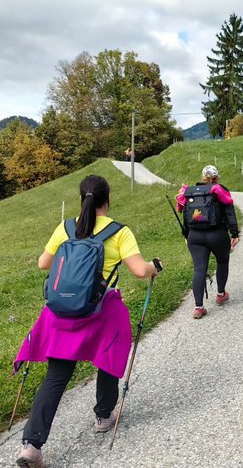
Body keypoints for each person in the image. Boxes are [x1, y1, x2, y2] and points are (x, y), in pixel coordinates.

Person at [14, 175, 162, 468]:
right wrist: (154, 267)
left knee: (56, 376)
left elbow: (44, 263)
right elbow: (139, 271)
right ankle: (103, 415)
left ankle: (31, 446)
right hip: (101, 309)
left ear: (82, 199)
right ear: (107, 200)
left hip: (63, 312)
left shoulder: (66, 227)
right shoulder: (119, 232)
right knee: (108, 357)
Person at [176, 165, 239, 319]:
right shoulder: (220, 190)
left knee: (199, 269)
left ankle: (198, 308)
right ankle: (220, 294)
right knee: (222, 262)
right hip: (217, 234)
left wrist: (186, 234)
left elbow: (186, 215)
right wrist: (235, 233)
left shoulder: (190, 192)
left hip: (195, 236)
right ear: (217, 178)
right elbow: (229, 213)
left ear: (203, 177)